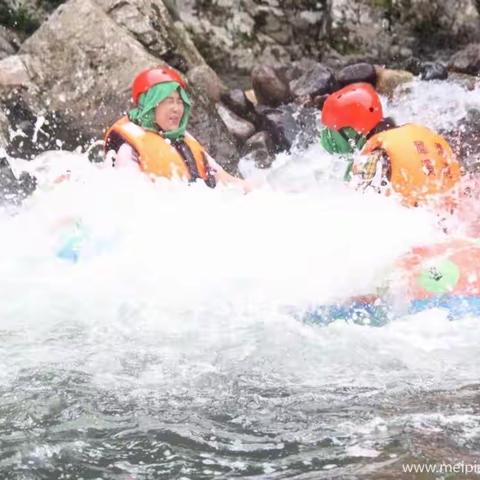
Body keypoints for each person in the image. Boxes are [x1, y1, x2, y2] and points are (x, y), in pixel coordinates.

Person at [105, 65, 251, 191]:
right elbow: (131, 201)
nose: (176, 108)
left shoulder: (185, 140)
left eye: (180, 102)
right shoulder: (128, 150)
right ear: (149, 105)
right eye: (168, 101)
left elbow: (226, 180)